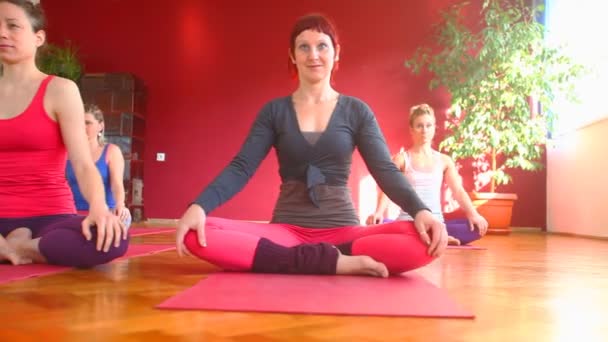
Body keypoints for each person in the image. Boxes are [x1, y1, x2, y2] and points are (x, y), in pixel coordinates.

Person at [175, 13, 448, 278]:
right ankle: (337, 263)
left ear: (336, 52)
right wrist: (199, 206)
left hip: (345, 233)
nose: (313, 55)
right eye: (303, 47)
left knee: (422, 240)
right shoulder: (274, 111)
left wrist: (420, 210)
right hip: (286, 231)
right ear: (293, 55)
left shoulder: (357, 111)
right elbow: (242, 167)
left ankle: (289, 259)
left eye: (322, 46)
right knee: (196, 231)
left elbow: (385, 170)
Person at [0, 0, 128, 267]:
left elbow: (82, 163)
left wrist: (98, 207)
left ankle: (23, 247)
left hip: (50, 215)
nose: (2, 33)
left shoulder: (60, 89)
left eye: (12, 26)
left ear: (38, 38)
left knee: (112, 237)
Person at [366, 104, 488, 245]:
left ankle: (429, 236)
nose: (424, 130)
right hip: (408, 222)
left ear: (434, 128)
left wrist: (473, 214)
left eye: (428, 125)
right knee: (375, 224)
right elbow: (388, 188)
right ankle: (437, 237)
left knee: (476, 227)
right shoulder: (401, 159)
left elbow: (458, 191)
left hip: (436, 222)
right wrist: (379, 213)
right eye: (419, 126)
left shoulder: (444, 160)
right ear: (411, 129)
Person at [66, 104, 132, 228]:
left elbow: (117, 184)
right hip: (72, 213)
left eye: (87, 123)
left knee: (123, 218)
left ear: (101, 126)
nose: (82, 127)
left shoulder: (112, 151)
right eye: (79, 122)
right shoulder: (66, 153)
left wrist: (120, 205)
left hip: (105, 212)